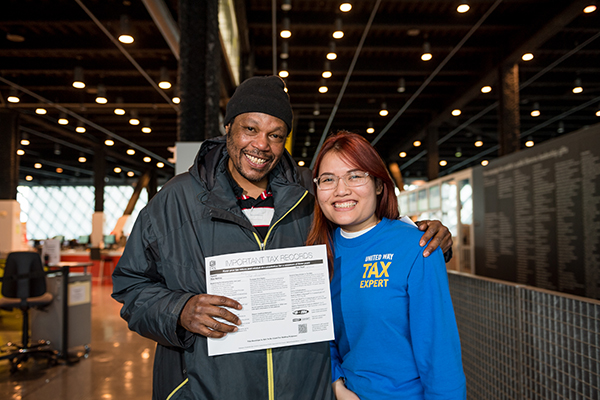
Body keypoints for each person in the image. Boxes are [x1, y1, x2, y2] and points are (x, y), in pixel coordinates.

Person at [112, 76, 453, 400]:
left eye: (276, 135)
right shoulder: (176, 201)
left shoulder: (309, 192)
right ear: (228, 127)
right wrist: (179, 309)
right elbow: (130, 285)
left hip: (302, 387)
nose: (261, 145)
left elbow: (361, 233)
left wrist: (418, 235)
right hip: (210, 388)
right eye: (250, 129)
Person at [306, 131, 466, 400]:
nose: (341, 189)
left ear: (379, 185)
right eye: (328, 179)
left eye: (355, 175)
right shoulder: (319, 252)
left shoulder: (417, 246)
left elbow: (439, 353)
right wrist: (337, 384)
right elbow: (319, 336)